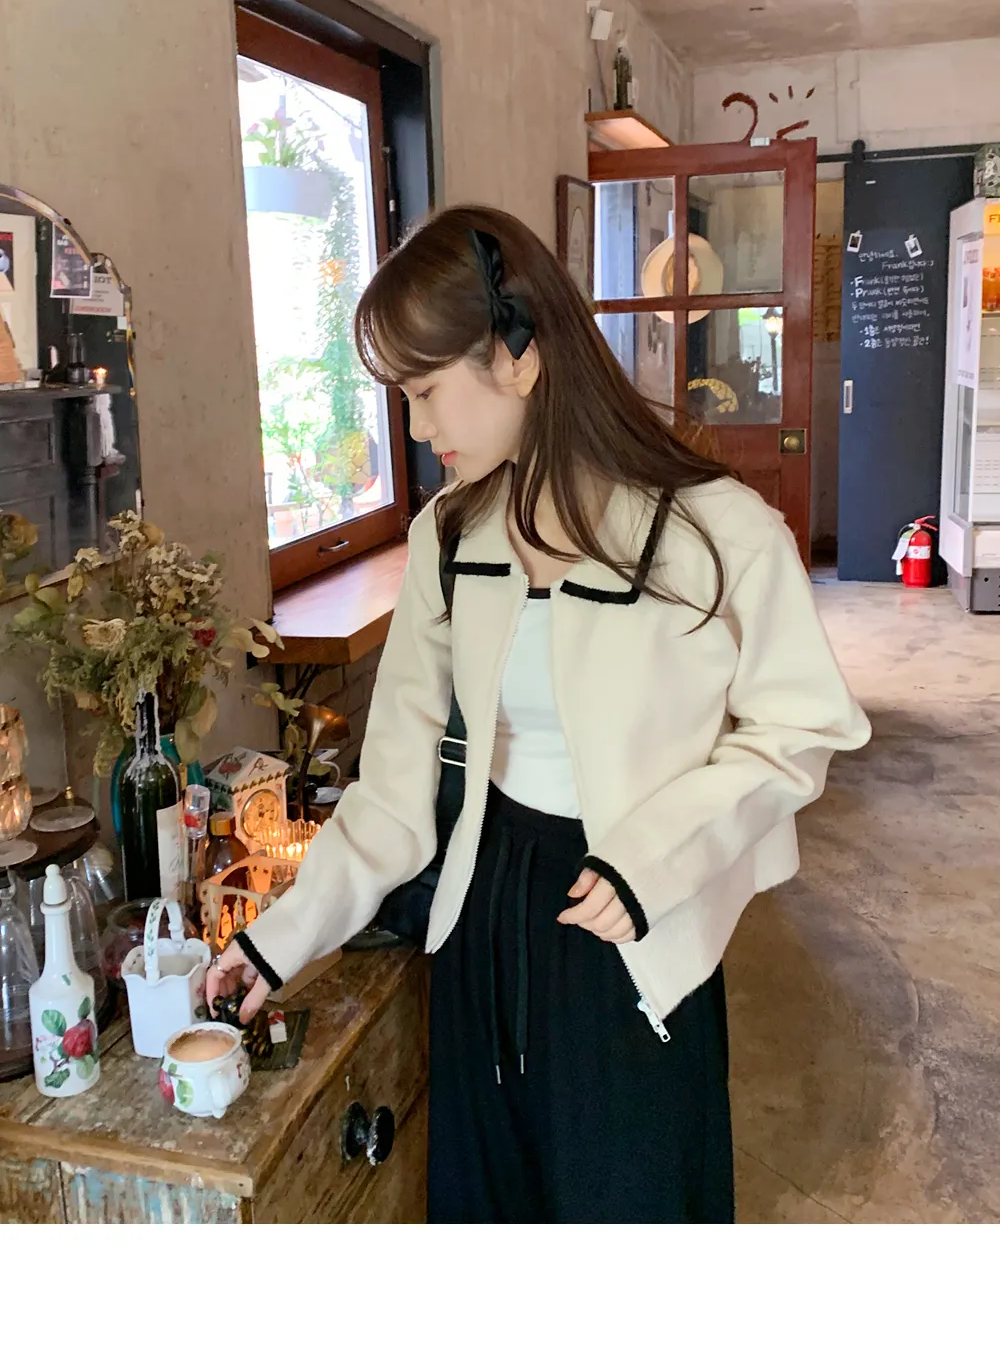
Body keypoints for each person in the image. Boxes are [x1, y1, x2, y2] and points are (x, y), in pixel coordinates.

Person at [205, 202, 870, 1226]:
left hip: (633, 931)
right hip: (481, 921)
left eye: (426, 392)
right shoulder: (448, 539)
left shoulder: (716, 531)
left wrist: (652, 859)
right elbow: (393, 791)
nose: (416, 431)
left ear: (518, 355)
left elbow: (800, 733)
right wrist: (273, 943)